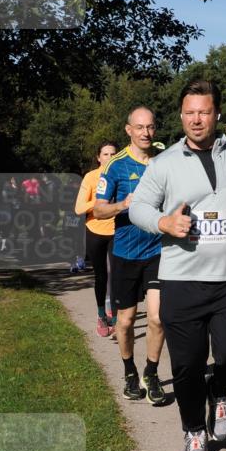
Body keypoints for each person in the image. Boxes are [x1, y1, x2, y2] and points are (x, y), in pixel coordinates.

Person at [129, 80, 226, 451]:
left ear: (217, 116)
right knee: (187, 366)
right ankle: (194, 431)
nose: (196, 119)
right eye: (190, 112)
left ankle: (219, 390)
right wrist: (162, 222)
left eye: (204, 112)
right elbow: (137, 207)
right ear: (181, 116)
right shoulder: (163, 164)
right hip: (181, 279)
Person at [94, 107, 165, 406]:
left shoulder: (163, 164)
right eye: (140, 127)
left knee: (158, 317)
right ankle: (129, 372)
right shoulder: (116, 166)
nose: (146, 133)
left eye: (150, 127)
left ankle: (152, 372)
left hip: (159, 251)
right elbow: (98, 209)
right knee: (124, 322)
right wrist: (123, 203)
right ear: (128, 130)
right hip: (124, 253)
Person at [75, 141, 118, 336]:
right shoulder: (91, 177)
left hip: (118, 231)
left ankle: (116, 318)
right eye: (106, 154)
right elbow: (78, 208)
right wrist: (101, 199)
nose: (109, 157)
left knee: (117, 276)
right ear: (98, 157)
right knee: (101, 276)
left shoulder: (121, 175)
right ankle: (102, 314)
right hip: (95, 231)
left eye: (113, 154)